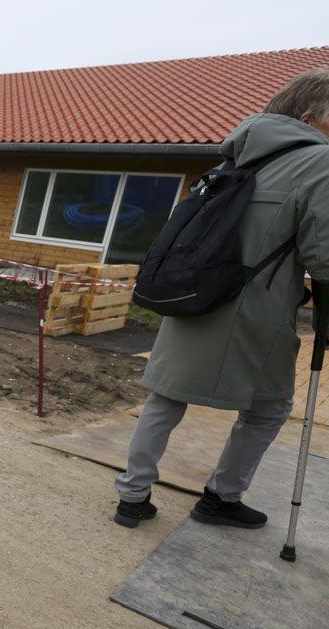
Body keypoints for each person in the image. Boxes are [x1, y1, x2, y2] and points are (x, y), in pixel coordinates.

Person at [114, 69, 329, 529]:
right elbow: (323, 253)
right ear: (310, 117)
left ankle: (132, 497)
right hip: (258, 312)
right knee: (268, 406)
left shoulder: (235, 159)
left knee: (166, 398)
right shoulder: (319, 162)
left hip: (192, 296)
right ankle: (221, 498)